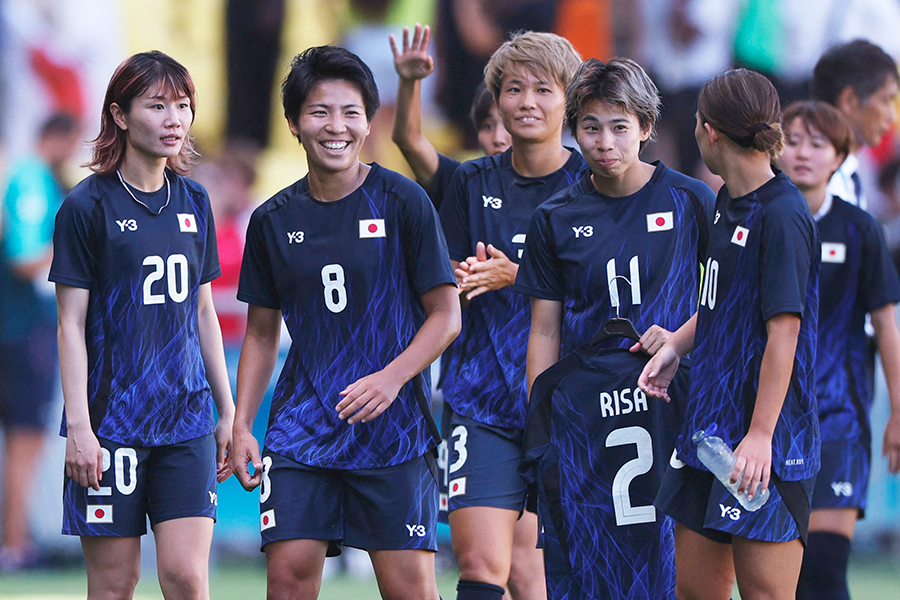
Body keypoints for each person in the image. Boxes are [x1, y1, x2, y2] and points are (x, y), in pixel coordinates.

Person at [231, 45, 460, 600]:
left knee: (410, 590)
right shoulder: (271, 220)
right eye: (319, 112)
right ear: (293, 123)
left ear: (367, 121)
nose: (336, 126)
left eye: (350, 112)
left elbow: (446, 315)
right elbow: (262, 333)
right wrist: (241, 424)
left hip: (394, 430)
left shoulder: (404, 201)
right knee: (286, 580)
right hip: (300, 428)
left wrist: (391, 378)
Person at [513, 57, 714, 599]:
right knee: (586, 566)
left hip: (676, 408)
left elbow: (730, 302)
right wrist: (543, 416)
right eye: (591, 126)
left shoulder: (690, 200)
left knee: (671, 569)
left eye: (620, 126)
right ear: (573, 129)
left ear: (647, 128)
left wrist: (677, 338)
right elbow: (544, 330)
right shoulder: (554, 216)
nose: (605, 141)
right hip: (585, 414)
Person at [49, 51, 235, 600]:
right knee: (114, 584)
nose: (174, 119)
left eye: (183, 105)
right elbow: (69, 324)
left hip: (186, 420)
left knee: (185, 577)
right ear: (121, 116)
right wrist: (81, 428)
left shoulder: (195, 200)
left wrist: (226, 411)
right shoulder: (85, 206)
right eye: (157, 105)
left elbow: (203, 311)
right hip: (111, 426)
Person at [638, 69, 819, 600]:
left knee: (765, 594)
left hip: (766, 443)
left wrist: (761, 436)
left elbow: (783, 333)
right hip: (707, 430)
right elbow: (721, 306)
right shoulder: (725, 203)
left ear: (709, 131)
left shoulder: (783, 214)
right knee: (695, 590)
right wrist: (676, 343)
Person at [437, 31, 585, 600]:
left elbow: (601, 292)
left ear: (568, 100)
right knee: (479, 566)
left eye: (542, 89)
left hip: (573, 408)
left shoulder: (594, 184)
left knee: (566, 571)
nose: (526, 101)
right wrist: (453, 279)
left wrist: (515, 275)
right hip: (482, 404)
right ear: (495, 102)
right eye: (513, 88)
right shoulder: (471, 182)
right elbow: (445, 278)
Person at [777, 100, 900, 600]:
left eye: (818, 143)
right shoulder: (758, 218)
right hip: (768, 423)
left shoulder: (859, 229)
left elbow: (885, 323)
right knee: (781, 575)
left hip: (839, 420)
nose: (803, 153)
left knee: (824, 571)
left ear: (839, 157)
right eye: (793, 139)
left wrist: (897, 413)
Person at [0, 112, 80, 571]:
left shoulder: (30, 178)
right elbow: (26, 259)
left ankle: (16, 537)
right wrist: (74, 249)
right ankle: (14, 545)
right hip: (25, 330)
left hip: (21, 328)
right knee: (24, 442)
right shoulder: (31, 180)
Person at [390, 23, 511, 210]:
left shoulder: (561, 187)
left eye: (508, 125)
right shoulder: (463, 182)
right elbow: (408, 140)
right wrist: (409, 81)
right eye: (488, 126)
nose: (498, 139)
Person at [811, 39, 900, 210]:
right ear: (849, 100)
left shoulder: (855, 168)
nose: (892, 116)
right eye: (885, 100)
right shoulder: (812, 175)